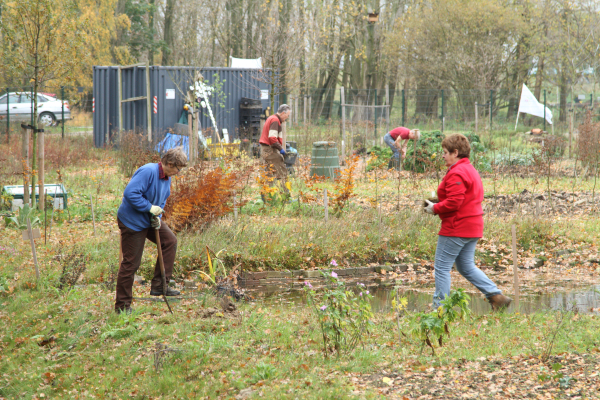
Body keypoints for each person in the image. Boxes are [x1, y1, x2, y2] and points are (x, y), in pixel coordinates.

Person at [424, 134, 511, 311]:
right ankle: (496, 296)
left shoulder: (457, 172)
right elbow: (464, 198)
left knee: (441, 267)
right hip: (473, 226)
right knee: (465, 266)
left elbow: (455, 202)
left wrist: (435, 208)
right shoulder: (470, 169)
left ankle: (439, 310)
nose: (443, 155)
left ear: (456, 152)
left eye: (446, 152)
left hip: (457, 227)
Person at [114, 147, 188, 314]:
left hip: (150, 220)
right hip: (132, 222)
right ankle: (122, 306)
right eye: (178, 168)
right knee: (131, 263)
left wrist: (157, 215)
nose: (179, 172)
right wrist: (149, 208)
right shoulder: (148, 171)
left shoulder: (167, 177)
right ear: (169, 164)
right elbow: (130, 193)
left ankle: (159, 285)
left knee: (170, 241)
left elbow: (162, 199)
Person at [259, 104, 291, 192]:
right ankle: (286, 195)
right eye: (287, 116)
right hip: (270, 149)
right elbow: (272, 138)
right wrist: (281, 149)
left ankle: (267, 195)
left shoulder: (271, 118)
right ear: (283, 113)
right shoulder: (275, 120)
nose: (287, 118)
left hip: (266, 149)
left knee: (270, 173)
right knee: (282, 171)